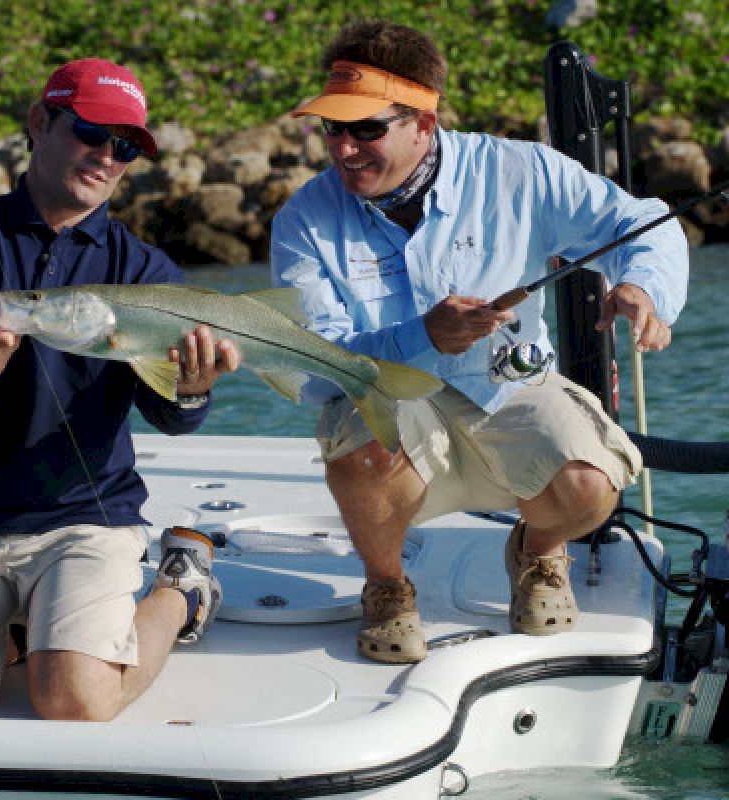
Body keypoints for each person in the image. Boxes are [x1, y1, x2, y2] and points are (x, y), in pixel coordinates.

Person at [271, 21, 688, 664]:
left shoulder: (521, 171)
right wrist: (420, 336)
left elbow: (647, 227)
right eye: (333, 128)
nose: (344, 148)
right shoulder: (303, 220)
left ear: (425, 124)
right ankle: (387, 586)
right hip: (392, 410)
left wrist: (642, 288)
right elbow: (311, 373)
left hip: (511, 387)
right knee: (355, 445)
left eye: (366, 129)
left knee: (592, 488)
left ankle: (540, 550)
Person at [0, 58, 240, 719]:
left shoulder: (149, 272)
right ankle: (12, 632)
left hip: (89, 522)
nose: (107, 156)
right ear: (40, 123)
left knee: (75, 701)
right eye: (92, 133)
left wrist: (192, 388)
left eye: (126, 147)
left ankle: (182, 589)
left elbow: (177, 418)